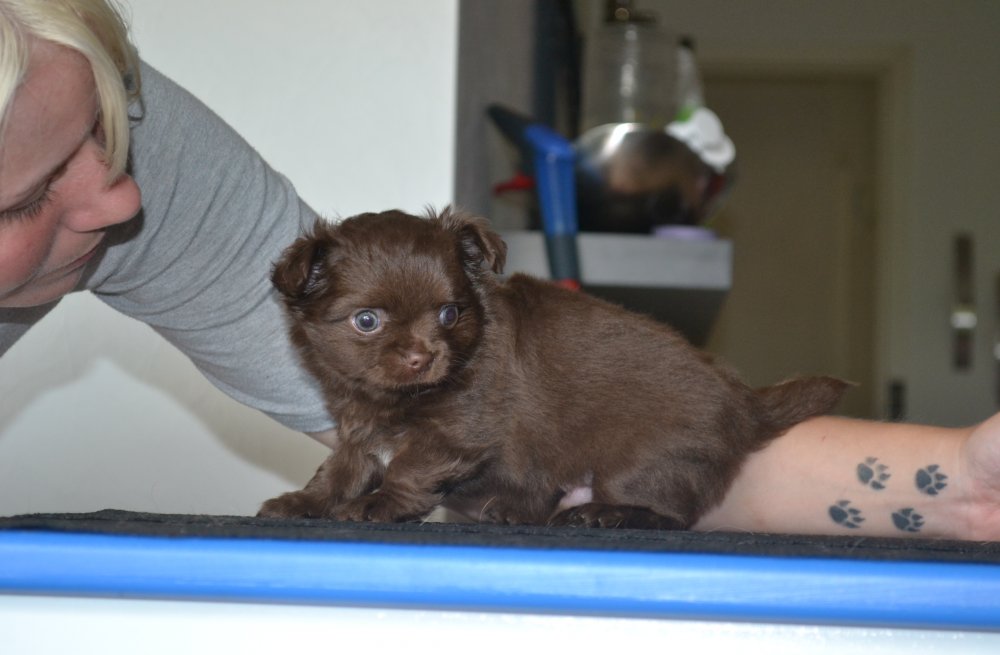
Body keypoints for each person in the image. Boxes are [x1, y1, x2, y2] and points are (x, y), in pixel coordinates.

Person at [1, 0, 997, 541]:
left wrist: (957, 484)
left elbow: (398, 436)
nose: (117, 199)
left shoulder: (154, 182)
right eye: (25, 198)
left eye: (106, 129)